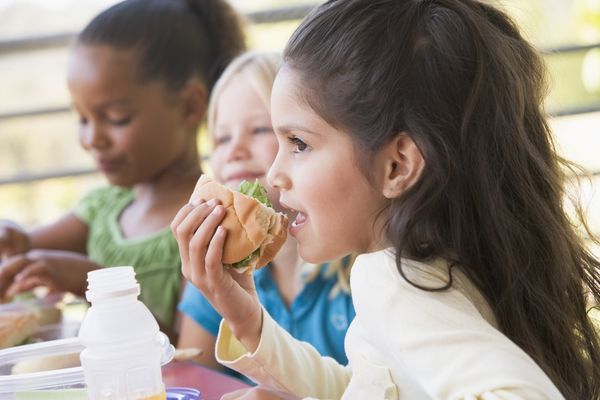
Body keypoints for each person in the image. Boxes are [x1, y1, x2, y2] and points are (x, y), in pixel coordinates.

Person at [171, 0, 600, 399]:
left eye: (299, 142)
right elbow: (367, 386)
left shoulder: (392, 280)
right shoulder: (433, 264)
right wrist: (248, 320)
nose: (275, 173)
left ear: (397, 166)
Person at [0, 0, 245, 341]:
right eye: (83, 118)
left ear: (190, 107)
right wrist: (11, 239)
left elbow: (189, 353)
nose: (91, 138)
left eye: (116, 118)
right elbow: (22, 251)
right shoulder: (101, 209)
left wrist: (95, 282)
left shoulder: (208, 223)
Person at [177, 51, 355, 376]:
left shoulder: (361, 267)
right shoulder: (218, 262)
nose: (233, 151)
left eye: (259, 130)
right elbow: (193, 378)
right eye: (222, 137)